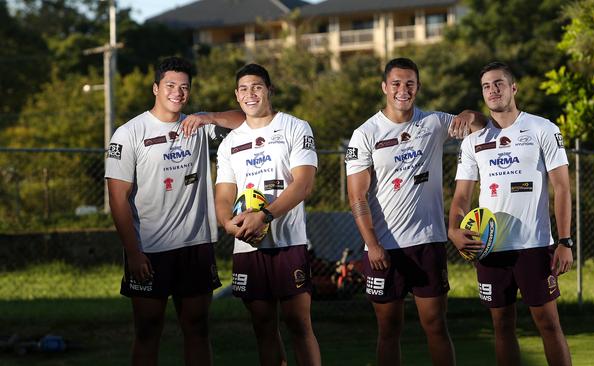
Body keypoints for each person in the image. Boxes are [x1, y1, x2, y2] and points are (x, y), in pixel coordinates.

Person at [345, 57, 485, 366]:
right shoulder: (365, 133)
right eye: (396, 83)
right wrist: (372, 244)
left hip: (427, 242)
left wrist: (467, 113)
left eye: (410, 83)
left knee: (435, 326)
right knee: (388, 330)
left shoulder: (433, 122)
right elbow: (356, 196)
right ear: (384, 87)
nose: (402, 90)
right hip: (384, 249)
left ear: (418, 87)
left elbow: (479, 125)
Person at [105, 56, 244, 366]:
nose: (177, 92)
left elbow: (247, 119)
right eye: (170, 85)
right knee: (147, 331)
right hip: (149, 250)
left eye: (184, 87)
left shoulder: (197, 126)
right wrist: (134, 252)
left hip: (195, 246)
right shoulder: (129, 133)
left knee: (197, 329)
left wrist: (210, 117)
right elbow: (118, 199)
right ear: (156, 88)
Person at [448, 61, 573, 366]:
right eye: (486, 86)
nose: (493, 91)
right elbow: (461, 196)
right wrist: (453, 228)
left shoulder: (542, 128)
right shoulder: (473, 141)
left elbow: (562, 188)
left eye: (499, 84)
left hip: (534, 246)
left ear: (513, 88)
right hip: (490, 248)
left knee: (549, 324)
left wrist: (565, 240)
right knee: (502, 327)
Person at [214, 63, 321, 366]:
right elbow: (223, 194)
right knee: (263, 328)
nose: (251, 94)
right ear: (237, 96)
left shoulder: (295, 127)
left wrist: (266, 216)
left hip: (288, 243)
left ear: (269, 90)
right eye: (244, 89)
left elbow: (303, 184)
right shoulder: (230, 143)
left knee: (299, 325)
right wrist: (227, 223)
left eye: (257, 87)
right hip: (247, 247)